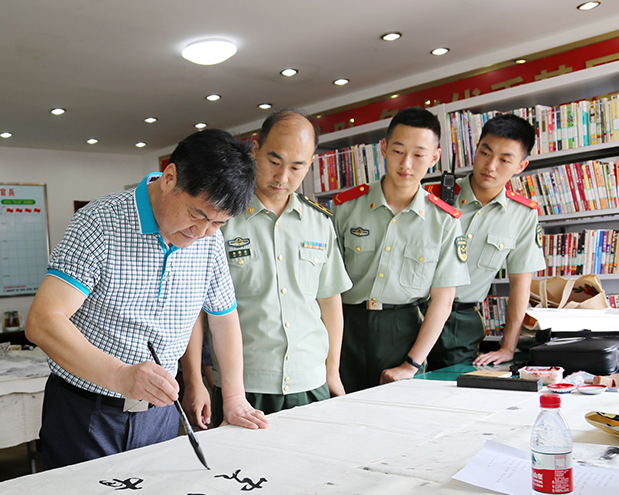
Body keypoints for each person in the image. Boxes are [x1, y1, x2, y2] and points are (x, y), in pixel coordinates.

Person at [25, 129, 270, 470]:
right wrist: (121, 376)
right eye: (197, 215)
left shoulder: (210, 241)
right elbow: (42, 322)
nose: (201, 233)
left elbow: (224, 319)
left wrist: (234, 398)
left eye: (218, 222)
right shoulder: (100, 223)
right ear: (170, 178)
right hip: (87, 413)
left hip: (163, 415)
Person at [182, 110, 351, 428]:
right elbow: (194, 312)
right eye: (274, 161)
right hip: (244, 388)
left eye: (297, 166)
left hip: (311, 381)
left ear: (310, 164)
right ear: (255, 149)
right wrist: (194, 380)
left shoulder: (320, 223)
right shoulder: (220, 221)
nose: (283, 177)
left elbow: (330, 302)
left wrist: (332, 372)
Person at [332, 107, 470, 392]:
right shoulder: (346, 208)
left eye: (419, 154)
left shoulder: (443, 221)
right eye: (398, 151)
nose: (406, 163)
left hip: (404, 331)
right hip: (345, 328)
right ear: (383, 148)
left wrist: (411, 364)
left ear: (434, 157)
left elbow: (443, 302)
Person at [425, 114, 546, 369]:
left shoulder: (522, 214)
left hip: (460, 323)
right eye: (485, 153)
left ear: (520, 166)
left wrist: (508, 347)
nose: (491, 166)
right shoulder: (432, 197)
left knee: (448, 394)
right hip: (411, 311)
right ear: (476, 149)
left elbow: (520, 286)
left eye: (504, 160)